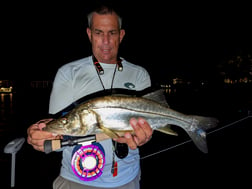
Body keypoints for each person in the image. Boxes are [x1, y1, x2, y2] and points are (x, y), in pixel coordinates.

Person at [27, 4, 153, 189]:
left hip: (128, 179)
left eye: (112, 32)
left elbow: (148, 124)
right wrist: (41, 135)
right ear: (89, 34)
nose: (106, 41)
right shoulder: (68, 73)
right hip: (76, 179)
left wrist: (145, 137)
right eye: (98, 32)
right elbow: (59, 128)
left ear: (121, 35)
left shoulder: (140, 74)